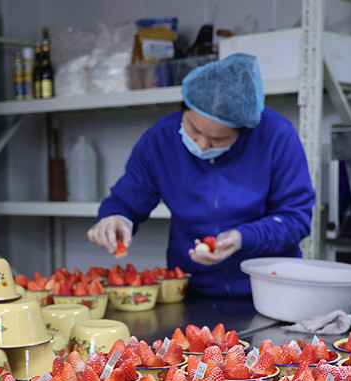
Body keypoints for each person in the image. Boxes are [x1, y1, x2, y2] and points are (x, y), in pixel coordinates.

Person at [87, 53, 315, 300]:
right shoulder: (160, 141)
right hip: (191, 292)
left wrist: (243, 237)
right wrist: (115, 218)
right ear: (185, 108)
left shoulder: (276, 136)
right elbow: (126, 201)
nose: (203, 145)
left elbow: (295, 219)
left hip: (270, 291)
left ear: (245, 129)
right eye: (194, 131)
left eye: (220, 139)